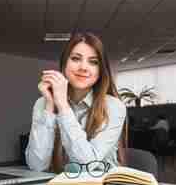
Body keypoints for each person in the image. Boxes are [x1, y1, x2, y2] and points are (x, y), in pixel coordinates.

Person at [25, 33, 127, 173]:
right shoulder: (42, 103)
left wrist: (62, 106)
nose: (83, 67)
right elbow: (36, 165)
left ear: (100, 70)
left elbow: (87, 165)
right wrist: (50, 106)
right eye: (75, 58)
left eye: (93, 62)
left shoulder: (114, 107)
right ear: (64, 63)